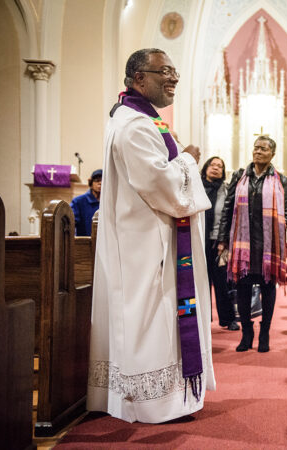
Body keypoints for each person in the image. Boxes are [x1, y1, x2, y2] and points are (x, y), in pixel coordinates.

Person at [87, 48, 215, 423]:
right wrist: (189, 158)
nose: (173, 78)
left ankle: (160, 397)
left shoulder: (141, 118)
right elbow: (165, 186)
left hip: (150, 240)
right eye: (164, 71)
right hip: (145, 246)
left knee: (154, 319)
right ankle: (150, 402)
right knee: (149, 320)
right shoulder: (134, 125)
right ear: (138, 78)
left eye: (174, 71)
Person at [217, 136, 287, 353]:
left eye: (263, 149)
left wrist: (278, 232)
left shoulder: (281, 180)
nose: (258, 152)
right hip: (243, 243)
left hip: (268, 246)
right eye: (256, 148)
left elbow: (286, 211)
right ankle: (247, 334)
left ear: (272, 154)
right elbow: (228, 208)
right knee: (242, 287)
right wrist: (223, 239)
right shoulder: (240, 176)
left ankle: (265, 333)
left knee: (268, 287)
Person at [201, 156, 239, 331]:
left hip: (219, 241)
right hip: (198, 241)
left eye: (220, 166)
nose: (215, 168)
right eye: (212, 165)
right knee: (201, 281)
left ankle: (228, 318)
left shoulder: (226, 189)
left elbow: (230, 215)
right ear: (206, 167)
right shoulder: (197, 187)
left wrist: (224, 240)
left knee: (222, 282)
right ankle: (202, 319)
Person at [70, 169, 102, 236]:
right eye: (97, 180)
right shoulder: (78, 201)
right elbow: (71, 223)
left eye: (103, 181)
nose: (100, 183)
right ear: (91, 183)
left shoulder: (109, 202)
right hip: (85, 242)